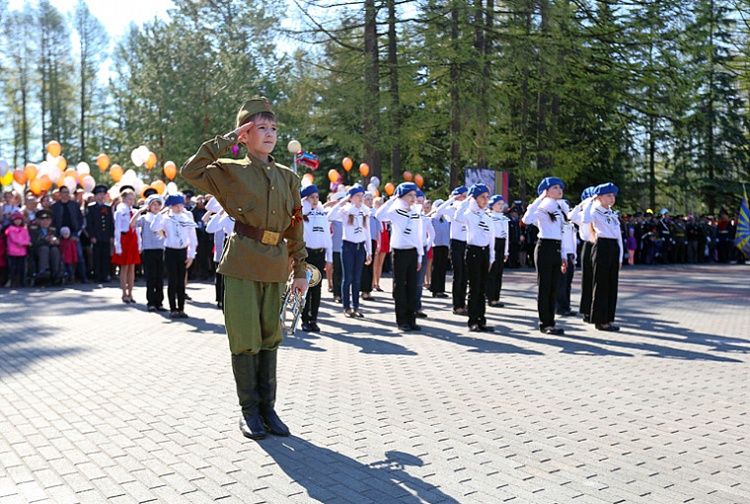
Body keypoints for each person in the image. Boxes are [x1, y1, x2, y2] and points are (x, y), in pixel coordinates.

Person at [181, 96, 308, 440]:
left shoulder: (288, 178)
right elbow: (190, 171)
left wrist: (300, 270)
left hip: (275, 264)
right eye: (259, 128)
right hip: (241, 263)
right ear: (245, 134)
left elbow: (295, 226)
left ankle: (268, 409)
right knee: (245, 339)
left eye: (273, 128)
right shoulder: (230, 170)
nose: (269, 134)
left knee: (271, 337)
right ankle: (249, 410)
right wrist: (228, 138)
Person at [522, 177, 568, 335]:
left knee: (553, 288)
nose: (559, 190)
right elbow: (526, 219)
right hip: (544, 248)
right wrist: (539, 198)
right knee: (545, 287)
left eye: (560, 187)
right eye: (555, 187)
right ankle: (545, 323)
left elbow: (561, 232)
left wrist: (563, 255)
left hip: (556, 248)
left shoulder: (559, 208)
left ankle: (552, 322)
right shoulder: (540, 207)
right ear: (546, 191)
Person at [376, 182, 423, 331]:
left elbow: (419, 234)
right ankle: (401, 320)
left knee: (412, 287)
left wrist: (420, 256)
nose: (413, 198)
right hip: (400, 252)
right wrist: (392, 199)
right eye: (410, 195)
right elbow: (379, 215)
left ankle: (412, 319)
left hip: (413, 251)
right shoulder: (395, 211)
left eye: (414, 195)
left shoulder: (416, 211)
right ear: (401, 196)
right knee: (400, 287)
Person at [454, 184, 495, 332]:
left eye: (486, 197)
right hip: (473, 252)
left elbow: (492, 238)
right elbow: (457, 217)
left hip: (485, 252)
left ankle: (481, 320)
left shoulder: (487, 215)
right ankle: (473, 320)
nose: (485, 200)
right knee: (474, 287)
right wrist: (467, 200)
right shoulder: (469, 214)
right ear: (474, 199)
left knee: (482, 289)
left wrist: (492, 257)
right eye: (482, 197)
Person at [582, 183, 623, 331]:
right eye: (608, 195)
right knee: (601, 285)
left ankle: (609, 318)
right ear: (599, 197)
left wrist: (619, 258)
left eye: (613, 196)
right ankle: (600, 320)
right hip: (602, 246)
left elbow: (619, 236)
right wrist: (590, 201)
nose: (612, 198)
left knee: (612, 286)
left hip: (613, 247)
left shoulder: (612, 214)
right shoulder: (594, 211)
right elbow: (585, 219)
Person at [150, 194, 198, 319]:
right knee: (172, 281)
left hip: (183, 251)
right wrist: (160, 213)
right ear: (171, 206)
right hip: (171, 251)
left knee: (181, 282)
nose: (179, 208)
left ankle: (181, 308)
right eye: (176, 206)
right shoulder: (165, 218)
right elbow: (154, 227)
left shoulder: (186, 217)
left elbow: (192, 238)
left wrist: (191, 255)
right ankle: (173, 308)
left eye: (181, 205)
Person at [328, 184, 372, 318]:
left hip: (360, 247)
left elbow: (367, 232)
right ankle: (347, 307)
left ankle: (356, 306)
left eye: (361, 196)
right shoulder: (346, 210)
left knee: (357, 279)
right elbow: (330, 215)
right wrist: (342, 201)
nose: (360, 198)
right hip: (348, 246)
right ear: (351, 198)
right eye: (357, 196)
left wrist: (369, 251)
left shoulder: (365, 211)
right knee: (347, 278)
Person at [300, 184, 332, 332]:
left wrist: (329, 258)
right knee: (306, 287)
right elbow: (299, 209)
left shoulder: (322, 214)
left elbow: (326, 236)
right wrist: (305, 202)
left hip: (319, 254)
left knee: (317, 288)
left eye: (316, 197)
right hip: (307, 254)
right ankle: (304, 319)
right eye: (311, 197)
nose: (314, 200)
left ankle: (314, 319)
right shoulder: (302, 213)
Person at [433, 186, 469, 315]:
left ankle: (463, 303)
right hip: (456, 243)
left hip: (467, 243)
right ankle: (457, 305)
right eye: (464, 195)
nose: (467, 198)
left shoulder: (468, 208)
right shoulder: (452, 208)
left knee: (465, 276)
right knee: (458, 275)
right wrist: (452, 198)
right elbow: (439, 209)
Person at [134, 194, 167, 312]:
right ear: (149, 206)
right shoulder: (144, 218)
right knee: (150, 277)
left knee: (159, 277)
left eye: (158, 204)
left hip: (160, 249)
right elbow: (132, 224)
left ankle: (159, 302)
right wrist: (139, 211)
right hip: (148, 250)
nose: (156, 206)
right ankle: (151, 302)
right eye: (153, 204)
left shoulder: (163, 218)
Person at [569, 187, 596, 323]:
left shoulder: (600, 213)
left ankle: (596, 310)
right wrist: (582, 205)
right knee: (587, 280)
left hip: (600, 245)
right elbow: (571, 216)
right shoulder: (582, 214)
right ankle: (586, 311)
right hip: (588, 245)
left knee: (598, 280)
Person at [51, 185, 87, 283]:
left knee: (79, 255)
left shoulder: (74, 205)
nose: (65, 194)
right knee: (62, 257)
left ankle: (83, 277)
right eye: (63, 192)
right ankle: (63, 277)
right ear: (60, 194)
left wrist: (76, 234)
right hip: (60, 235)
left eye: (67, 192)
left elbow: (80, 220)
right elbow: (53, 222)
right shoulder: (55, 207)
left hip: (74, 234)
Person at [112, 188, 141, 304]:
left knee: (132, 268)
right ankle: (124, 293)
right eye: (129, 199)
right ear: (123, 199)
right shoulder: (120, 211)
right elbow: (117, 229)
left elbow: (138, 228)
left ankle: (130, 293)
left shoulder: (134, 211)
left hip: (133, 239)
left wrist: (140, 243)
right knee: (124, 267)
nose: (131, 201)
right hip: (124, 239)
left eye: (133, 199)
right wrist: (117, 245)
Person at [205, 197, 234, 310]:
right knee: (224, 276)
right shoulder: (227, 218)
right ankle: (223, 301)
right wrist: (221, 211)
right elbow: (210, 228)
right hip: (229, 244)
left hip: (242, 247)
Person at [86, 185, 114, 283]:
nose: (101, 196)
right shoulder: (91, 207)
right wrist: (92, 236)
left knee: (106, 256)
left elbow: (110, 222)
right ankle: (97, 275)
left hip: (105, 235)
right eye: (99, 194)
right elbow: (89, 223)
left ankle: (105, 275)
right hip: (96, 236)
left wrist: (111, 235)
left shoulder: (108, 207)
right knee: (97, 256)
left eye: (103, 194)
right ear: (95, 196)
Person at [486, 194, 509, 307]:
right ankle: (490, 298)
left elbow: (506, 236)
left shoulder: (504, 218)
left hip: (501, 244)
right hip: (492, 243)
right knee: (492, 272)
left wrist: (506, 251)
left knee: (499, 272)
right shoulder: (488, 216)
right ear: (492, 205)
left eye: (502, 204)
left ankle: (496, 297)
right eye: (498, 204)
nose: (501, 206)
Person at [413, 189, 433, 318]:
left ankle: (417, 307)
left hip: (423, 251)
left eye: (421, 202)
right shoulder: (410, 216)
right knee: (410, 281)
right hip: (411, 251)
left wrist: (427, 244)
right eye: (417, 201)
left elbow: (432, 234)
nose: (420, 204)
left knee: (419, 281)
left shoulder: (425, 218)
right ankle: (409, 307)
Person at [28, 209, 61, 283]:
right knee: (44, 249)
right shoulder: (33, 229)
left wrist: (56, 241)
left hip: (50, 249)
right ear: (38, 220)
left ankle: (56, 272)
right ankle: (42, 272)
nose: (45, 222)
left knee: (55, 250)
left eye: (48, 220)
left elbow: (58, 240)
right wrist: (45, 239)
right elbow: (33, 241)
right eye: (43, 220)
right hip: (37, 250)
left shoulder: (53, 229)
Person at [556, 206, 576, 317]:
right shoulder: (559, 224)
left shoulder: (571, 225)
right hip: (562, 254)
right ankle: (560, 307)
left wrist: (574, 255)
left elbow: (572, 241)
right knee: (561, 283)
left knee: (568, 283)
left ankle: (566, 306)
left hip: (570, 255)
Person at [429, 199, 450, 298]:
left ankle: (441, 290)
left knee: (442, 268)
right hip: (436, 245)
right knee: (436, 268)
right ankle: (435, 289)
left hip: (444, 245)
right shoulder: (433, 219)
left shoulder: (446, 219)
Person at [5, 211, 30, 287]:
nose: (18, 221)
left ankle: (22, 281)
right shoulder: (10, 229)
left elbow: (27, 237)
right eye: (16, 220)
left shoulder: (24, 229)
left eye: (19, 219)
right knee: (13, 268)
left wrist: (26, 242)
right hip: (13, 252)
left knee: (22, 267)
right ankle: (13, 281)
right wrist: (24, 243)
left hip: (22, 252)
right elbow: (14, 239)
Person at [372, 198, 390, 292]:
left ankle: (377, 283)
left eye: (381, 203)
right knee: (374, 262)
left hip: (385, 236)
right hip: (377, 237)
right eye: (378, 203)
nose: (380, 205)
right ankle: (372, 282)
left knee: (380, 263)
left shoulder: (385, 216)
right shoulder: (374, 214)